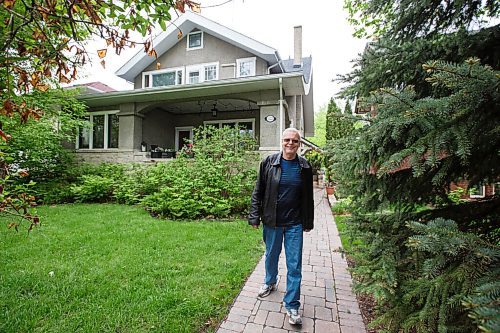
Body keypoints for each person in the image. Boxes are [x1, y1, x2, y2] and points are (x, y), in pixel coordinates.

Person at [248, 127, 314, 325]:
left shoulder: (305, 166)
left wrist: (308, 221)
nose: (290, 144)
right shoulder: (268, 163)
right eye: (287, 140)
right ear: (282, 141)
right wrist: (254, 216)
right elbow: (258, 191)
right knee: (271, 255)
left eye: (295, 141)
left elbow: (308, 197)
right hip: (272, 222)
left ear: (299, 144)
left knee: (295, 265)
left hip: (294, 224)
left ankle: (292, 305)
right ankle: (270, 281)